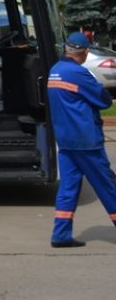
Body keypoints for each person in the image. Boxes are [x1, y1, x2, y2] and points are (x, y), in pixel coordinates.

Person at [46, 32, 116, 248]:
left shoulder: (55, 70)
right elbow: (104, 100)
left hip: (66, 140)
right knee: (107, 185)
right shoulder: (78, 72)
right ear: (85, 52)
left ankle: (61, 234)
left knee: (68, 188)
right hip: (86, 140)